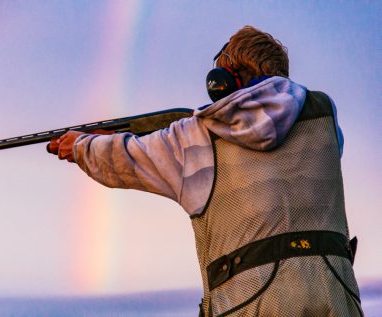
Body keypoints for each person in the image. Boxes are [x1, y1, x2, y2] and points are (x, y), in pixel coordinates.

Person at [48, 26, 363, 316]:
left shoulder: (196, 137)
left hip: (246, 305)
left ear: (223, 80)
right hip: (335, 299)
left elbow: (125, 159)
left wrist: (79, 145)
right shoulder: (325, 120)